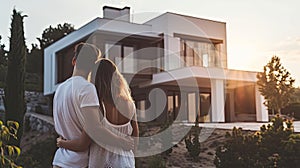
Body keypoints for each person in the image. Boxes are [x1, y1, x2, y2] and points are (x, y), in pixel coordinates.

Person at [52, 43, 134, 168]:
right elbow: (94, 130)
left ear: (74, 61)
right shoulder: (87, 89)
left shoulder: (60, 89)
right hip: (78, 163)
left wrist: (61, 142)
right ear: (92, 67)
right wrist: (121, 141)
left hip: (60, 161)